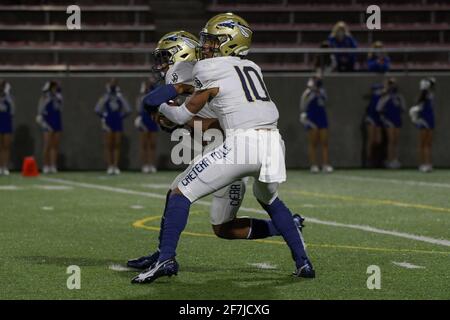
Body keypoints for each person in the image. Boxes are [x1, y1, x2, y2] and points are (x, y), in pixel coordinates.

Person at [131, 13, 315, 284]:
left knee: (180, 193)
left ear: (228, 42)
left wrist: (161, 106)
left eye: (211, 41)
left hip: (240, 146)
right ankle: (304, 263)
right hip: (273, 143)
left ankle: (166, 259)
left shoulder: (208, 68)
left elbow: (177, 113)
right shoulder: (251, 66)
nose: (205, 47)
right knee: (268, 201)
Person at [95, 79, 131, 175]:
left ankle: (115, 165)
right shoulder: (106, 96)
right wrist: (104, 116)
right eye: (111, 83)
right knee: (108, 144)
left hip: (117, 121)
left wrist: (121, 116)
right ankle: (109, 165)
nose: (113, 85)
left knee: (117, 144)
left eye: (114, 84)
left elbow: (128, 109)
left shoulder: (120, 96)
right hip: (108, 122)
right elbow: (97, 109)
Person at [299, 76, 333, 173]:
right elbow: (303, 105)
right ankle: (314, 165)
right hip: (312, 119)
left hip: (322, 118)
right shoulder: (307, 93)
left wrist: (318, 91)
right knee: (313, 143)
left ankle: (325, 165)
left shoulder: (322, 92)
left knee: (325, 142)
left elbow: (326, 101)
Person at [376, 78, 406, 169]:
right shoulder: (385, 96)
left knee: (396, 141)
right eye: (391, 84)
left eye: (394, 84)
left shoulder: (399, 97)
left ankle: (395, 159)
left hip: (397, 120)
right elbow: (378, 108)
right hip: (389, 120)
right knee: (391, 140)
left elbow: (403, 108)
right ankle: (389, 159)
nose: (393, 86)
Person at [409, 77, 436, 173]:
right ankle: (422, 164)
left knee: (428, 144)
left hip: (430, 119)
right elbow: (415, 109)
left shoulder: (429, 94)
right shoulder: (423, 96)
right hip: (424, 120)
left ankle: (428, 163)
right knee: (423, 143)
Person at [36, 80, 63, 174]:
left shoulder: (58, 97)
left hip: (57, 122)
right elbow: (39, 113)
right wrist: (44, 124)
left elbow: (60, 107)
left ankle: (53, 165)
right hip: (48, 123)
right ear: (51, 88)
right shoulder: (45, 97)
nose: (56, 89)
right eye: (54, 87)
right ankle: (46, 165)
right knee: (47, 145)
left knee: (55, 146)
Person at [135, 76, 160, 174]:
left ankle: (151, 164)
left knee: (152, 144)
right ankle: (145, 164)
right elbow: (138, 107)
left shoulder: (155, 95)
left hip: (152, 120)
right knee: (144, 144)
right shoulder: (142, 96)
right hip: (144, 120)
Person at [364, 83, 384, 167]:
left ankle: (376, 159)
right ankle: (369, 160)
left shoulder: (382, 98)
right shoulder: (374, 97)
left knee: (378, 140)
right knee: (371, 140)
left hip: (378, 119)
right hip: (371, 119)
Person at [0, 80, 14, 176]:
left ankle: (5, 167)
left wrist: (7, 96)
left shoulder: (9, 98)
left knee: (6, 146)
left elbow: (13, 111)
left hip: (6, 123)